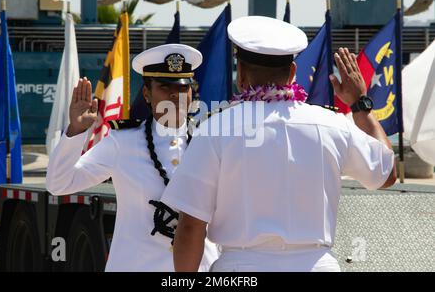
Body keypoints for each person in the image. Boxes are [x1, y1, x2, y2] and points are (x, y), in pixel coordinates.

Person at [160, 16, 397, 272]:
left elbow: (191, 225)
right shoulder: (333, 125)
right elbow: (386, 174)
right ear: (293, 73)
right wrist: (360, 104)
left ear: (240, 74)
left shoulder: (215, 129)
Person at [46, 44, 218, 272]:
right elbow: (59, 183)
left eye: (183, 87)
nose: (175, 95)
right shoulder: (123, 142)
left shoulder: (211, 140)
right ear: (147, 94)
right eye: (165, 87)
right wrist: (76, 131)